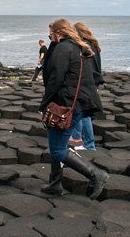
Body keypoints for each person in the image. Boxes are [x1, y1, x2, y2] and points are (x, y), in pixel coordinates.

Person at [39, 18, 108, 198]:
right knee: (56, 145)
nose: (49, 37)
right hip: (77, 101)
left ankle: (97, 174)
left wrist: (44, 104)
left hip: (68, 104)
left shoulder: (64, 48)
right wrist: (53, 42)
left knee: (58, 149)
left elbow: (55, 79)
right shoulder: (74, 47)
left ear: (58, 32)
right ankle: (55, 184)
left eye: (50, 34)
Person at [70, 22, 104, 151]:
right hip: (93, 81)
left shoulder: (84, 45)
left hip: (86, 83)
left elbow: (86, 67)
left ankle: (89, 145)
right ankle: (77, 137)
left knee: (84, 113)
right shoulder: (94, 45)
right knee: (79, 110)